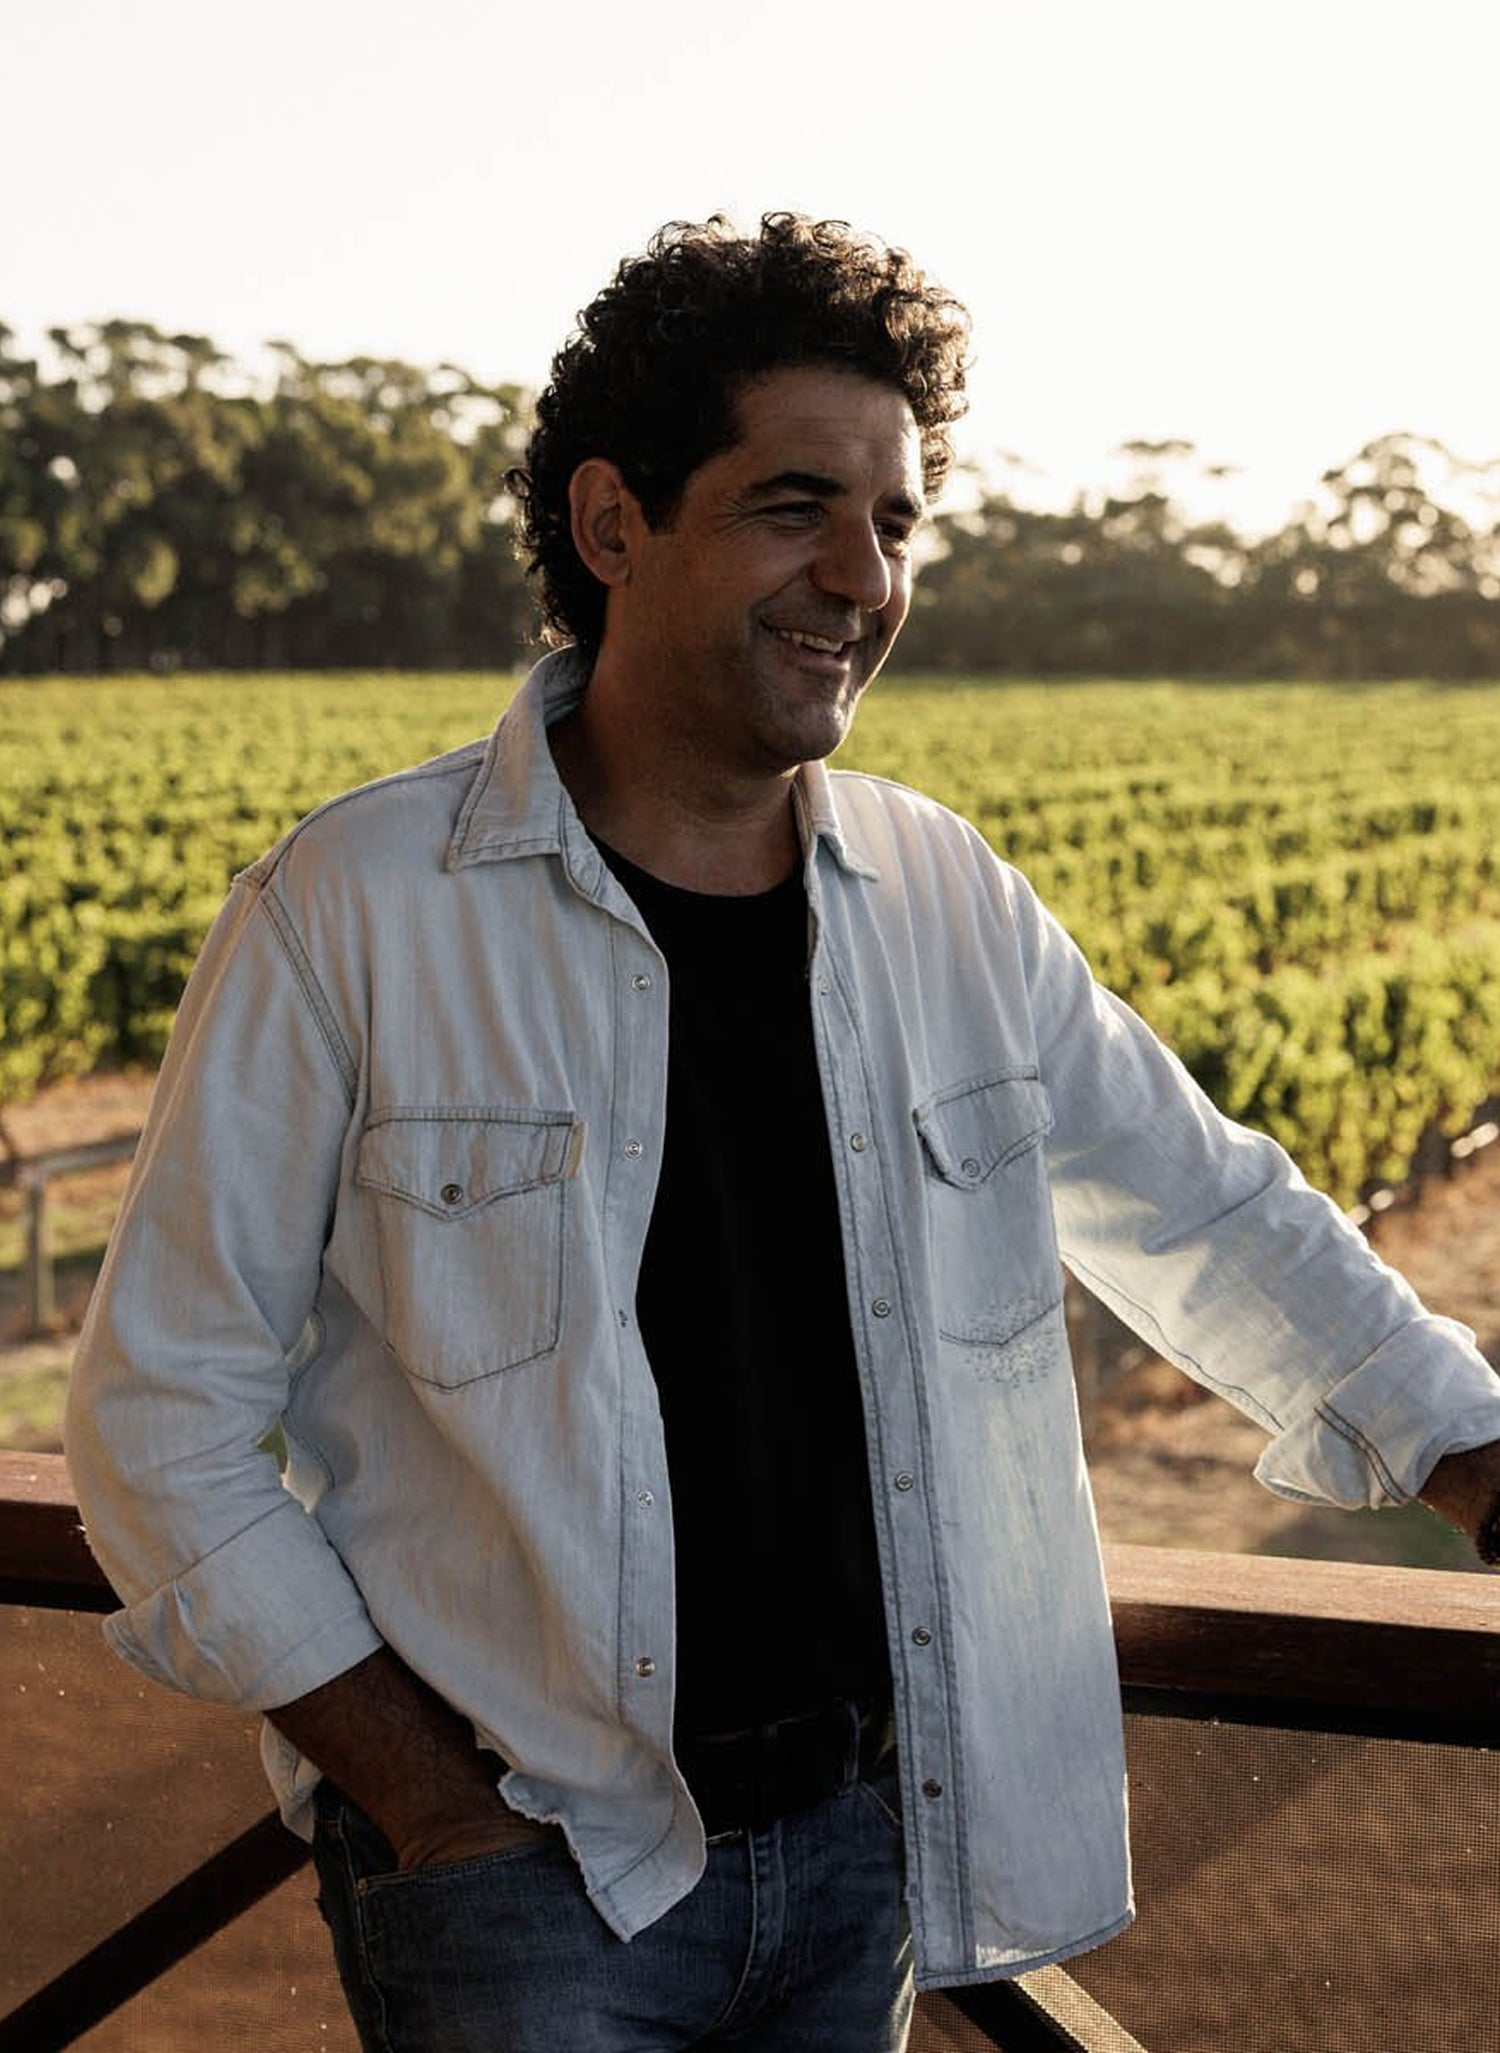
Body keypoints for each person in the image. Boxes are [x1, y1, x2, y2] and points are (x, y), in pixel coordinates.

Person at [66, 214, 1500, 2053]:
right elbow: (155, 1416)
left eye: (897, 522)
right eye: (793, 505)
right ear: (612, 526)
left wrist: (1471, 1449)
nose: (863, 575)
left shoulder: (946, 902)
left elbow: (1209, 1212)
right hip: (529, 1882)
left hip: (859, 1860)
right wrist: (432, 1805)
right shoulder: (350, 911)